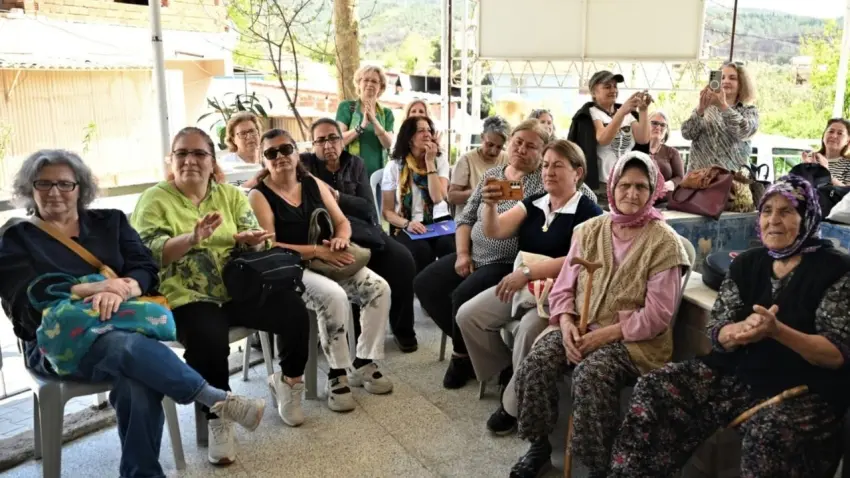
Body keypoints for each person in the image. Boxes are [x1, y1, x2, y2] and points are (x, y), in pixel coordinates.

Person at [0, 150, 266, 476]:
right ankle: (215, 398)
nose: (54, 192)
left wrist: (124, 287)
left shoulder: (110, 221)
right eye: (44, 184)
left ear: (80, 188)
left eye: (64, 184)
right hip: (55, 343)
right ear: (31, 189)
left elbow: (146, 268)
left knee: (137, 379)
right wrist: (91, 290)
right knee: (123, 347)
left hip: (124, 329)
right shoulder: (17, 237)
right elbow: (21, 304)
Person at [609, 175, 850, 478]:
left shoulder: (836, 270)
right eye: (766, 211)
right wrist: (736, 332)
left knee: (771, 434)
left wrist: (778, 331)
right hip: (737, 373)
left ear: (808, 217)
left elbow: (835, 353)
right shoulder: (746, 263)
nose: (773, 220)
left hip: (804, 387)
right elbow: (718, 330)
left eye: (786, 211)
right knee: (655, 388)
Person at [132, 127, 310, 465]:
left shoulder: (229, 195)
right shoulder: (155, 199)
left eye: (199, 153)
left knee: (293, 309)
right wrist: (192, 238)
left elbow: (259, 240)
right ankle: (219, 417)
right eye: (182, 153)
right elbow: (147, 255)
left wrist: (252, 239)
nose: (190, 160)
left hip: (238, 289)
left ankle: (288, 381)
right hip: (188, 296)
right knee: (207, 337)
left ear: (213, 161)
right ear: (172, 160)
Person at [508, 151, 690, 478]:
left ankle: (597, 465)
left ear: (653, 192)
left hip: (633, 341)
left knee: (592, 374)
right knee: (537, 361)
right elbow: (563, 289)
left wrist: (601, 336)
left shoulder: (665, 243)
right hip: (579, 327)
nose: (631, 194)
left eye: (641, 187)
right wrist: (564, 324)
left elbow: (657, 316)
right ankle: (539, 446)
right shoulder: (590, 231)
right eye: (624, 185)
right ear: (613, 187)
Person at [456, 139, 603, 434]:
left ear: (578, 173)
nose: (548, 171)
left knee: (527, 331)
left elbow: (579, 260)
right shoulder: (535, 202)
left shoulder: (589, 212)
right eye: (546, 165)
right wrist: (490, 204)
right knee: (468, 316)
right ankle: (512, 373)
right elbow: (495, 230)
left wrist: (528, 271)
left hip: (561, 294)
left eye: (557, 166)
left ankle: (511, 406)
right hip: (524, 286)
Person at [249, 128, 394, 414]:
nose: (280, 157)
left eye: (286, 149)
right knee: (334, 296)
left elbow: (342, 221)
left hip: (328, 258)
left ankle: (363, 361)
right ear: (263, 160)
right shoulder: (259, 195)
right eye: (271, 153)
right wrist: (317, 251)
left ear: (296, 151)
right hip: (291, 267)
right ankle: (337, 373)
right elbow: (270, 244)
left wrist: (340, 238)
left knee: (379, 288)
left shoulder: (312, 183)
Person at [414, 119, 548, 390]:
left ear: (542, 151)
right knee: (425, 284)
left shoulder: (541, 183)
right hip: (474, 252)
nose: (521, 149)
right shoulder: (493, 175)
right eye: (518, 142)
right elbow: (464, 218)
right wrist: (463, 254)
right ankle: (475, 348)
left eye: (531, 146)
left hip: (506, 262)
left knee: (462, 296)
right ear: (510, 143)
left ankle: (461, 357)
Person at [301, 117, 419, 352]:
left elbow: (366, 207)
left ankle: (402, 329)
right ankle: (353, 335)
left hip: (364, 230)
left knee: (403, 260)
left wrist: (337, 197)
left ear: (342, 141)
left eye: (333, 138)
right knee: (350, 265)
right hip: (330, 235)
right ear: (313, 145)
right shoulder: (305, 165)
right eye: (320, 140)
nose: (328, 145)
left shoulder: (355, 164)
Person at [381, 116, 455, 273]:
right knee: (421, 251)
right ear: (409, 138)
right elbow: (387, 212)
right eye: (421, 130)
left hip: (439, 220)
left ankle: (448, 292)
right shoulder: (395, 165)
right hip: (408, 222)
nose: (427, 134)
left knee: (451, 247)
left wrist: (429, 162)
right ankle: (422, 290)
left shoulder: (439, 160)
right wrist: (407, 224)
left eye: (429, 130)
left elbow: (437, 198)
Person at [568, 70, 652, 206]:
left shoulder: (627, 114)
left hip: (625, 181)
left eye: (615, 86)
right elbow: (603, 138)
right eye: (607, 86)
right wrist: (622, 112)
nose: (613, 90)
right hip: (601, 186)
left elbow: (643, 139)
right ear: (594, 92)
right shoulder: (590, 114)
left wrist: (643, 110)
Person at [681, 61, 759, 172]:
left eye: (732, 78)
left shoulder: (749, 111)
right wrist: (700, 110)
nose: (726, 81)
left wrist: (723, 106)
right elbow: (686, 133)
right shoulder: (705, 108)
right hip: (699, 180)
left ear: (742, 84)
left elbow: (744, 131)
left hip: (731, 182)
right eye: (722, 78)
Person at [336, 65, 395, 177]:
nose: (370, 84)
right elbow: (338, 141)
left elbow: (388, 144)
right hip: (351, 175)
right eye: (366, 80)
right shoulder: (346, 107)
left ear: (381, 87)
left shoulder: (387, 113)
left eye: (374, 81)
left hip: (380, 176)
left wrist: (375, 122)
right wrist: (361, 126)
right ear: (359, 83)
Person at [448, 116, 511, 218]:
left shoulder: (508, 158)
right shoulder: (466, 160)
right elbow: (452, 197)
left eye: (499, 147)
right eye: (489, 144)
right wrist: (477, 192)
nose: (493, 151)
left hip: (500, 219)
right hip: (470, 220)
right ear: (482, 137)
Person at [648, 110, 684, 200]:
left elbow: (680, 177)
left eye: (663, 125)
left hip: (664, 203)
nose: (658, 127)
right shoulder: (635, 149)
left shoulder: (672, 152)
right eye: (654, 123)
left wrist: (668, 185)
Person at [802, 118, 850, 186]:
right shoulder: (810, 159)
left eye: (840, 133)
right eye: (831, 131)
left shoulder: (848, 164)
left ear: (847, 141)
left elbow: (847, 194)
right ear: (824, 135)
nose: (834, 136)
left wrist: (826, 173)